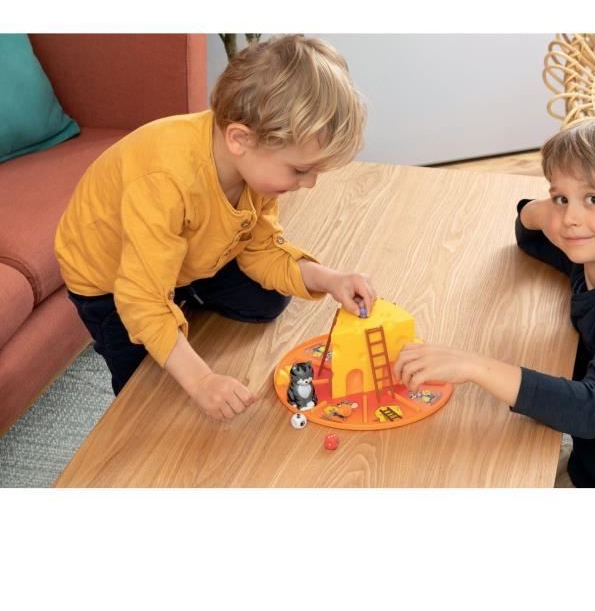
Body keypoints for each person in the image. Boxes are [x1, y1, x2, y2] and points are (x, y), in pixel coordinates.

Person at [55, 34, 376, 421]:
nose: (308, 184)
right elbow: (140, 300)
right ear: (240, 139)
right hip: (112, 281)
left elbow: (263, 250)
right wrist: (202, 380)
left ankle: (185, 293)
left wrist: (332, 279)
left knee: (268, 300)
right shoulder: (165, 181)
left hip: (189, 254)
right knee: (149, 393)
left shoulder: (252, 168)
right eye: (299, 170)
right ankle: (176, 304)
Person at [395, 117, 595, 487]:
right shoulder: (592, 259)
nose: (570, 218)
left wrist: (474, 366)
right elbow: (529, 236)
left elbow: (591, 409)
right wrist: (553, 210)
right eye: (561, 198)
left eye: (593, 199)